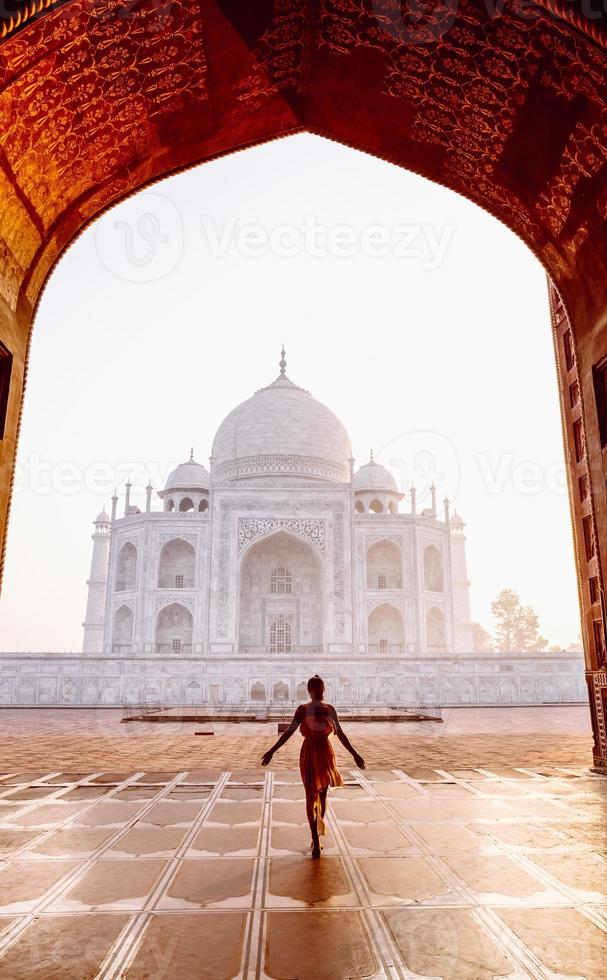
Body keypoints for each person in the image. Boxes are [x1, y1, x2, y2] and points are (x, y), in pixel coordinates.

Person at [261, 675, 365, 858]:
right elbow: (339, 735)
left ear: (313, 690)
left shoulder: (313, 709)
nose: (318, 691)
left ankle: (316, 836)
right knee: (318, 796)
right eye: (318, 688)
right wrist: (271, 751)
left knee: (316, 796)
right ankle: (316, 837)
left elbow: (291, 733)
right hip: (320, 752)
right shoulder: (318, 709)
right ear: (318, 690)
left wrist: (272, 751)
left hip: (315, 753)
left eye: (318, 688)